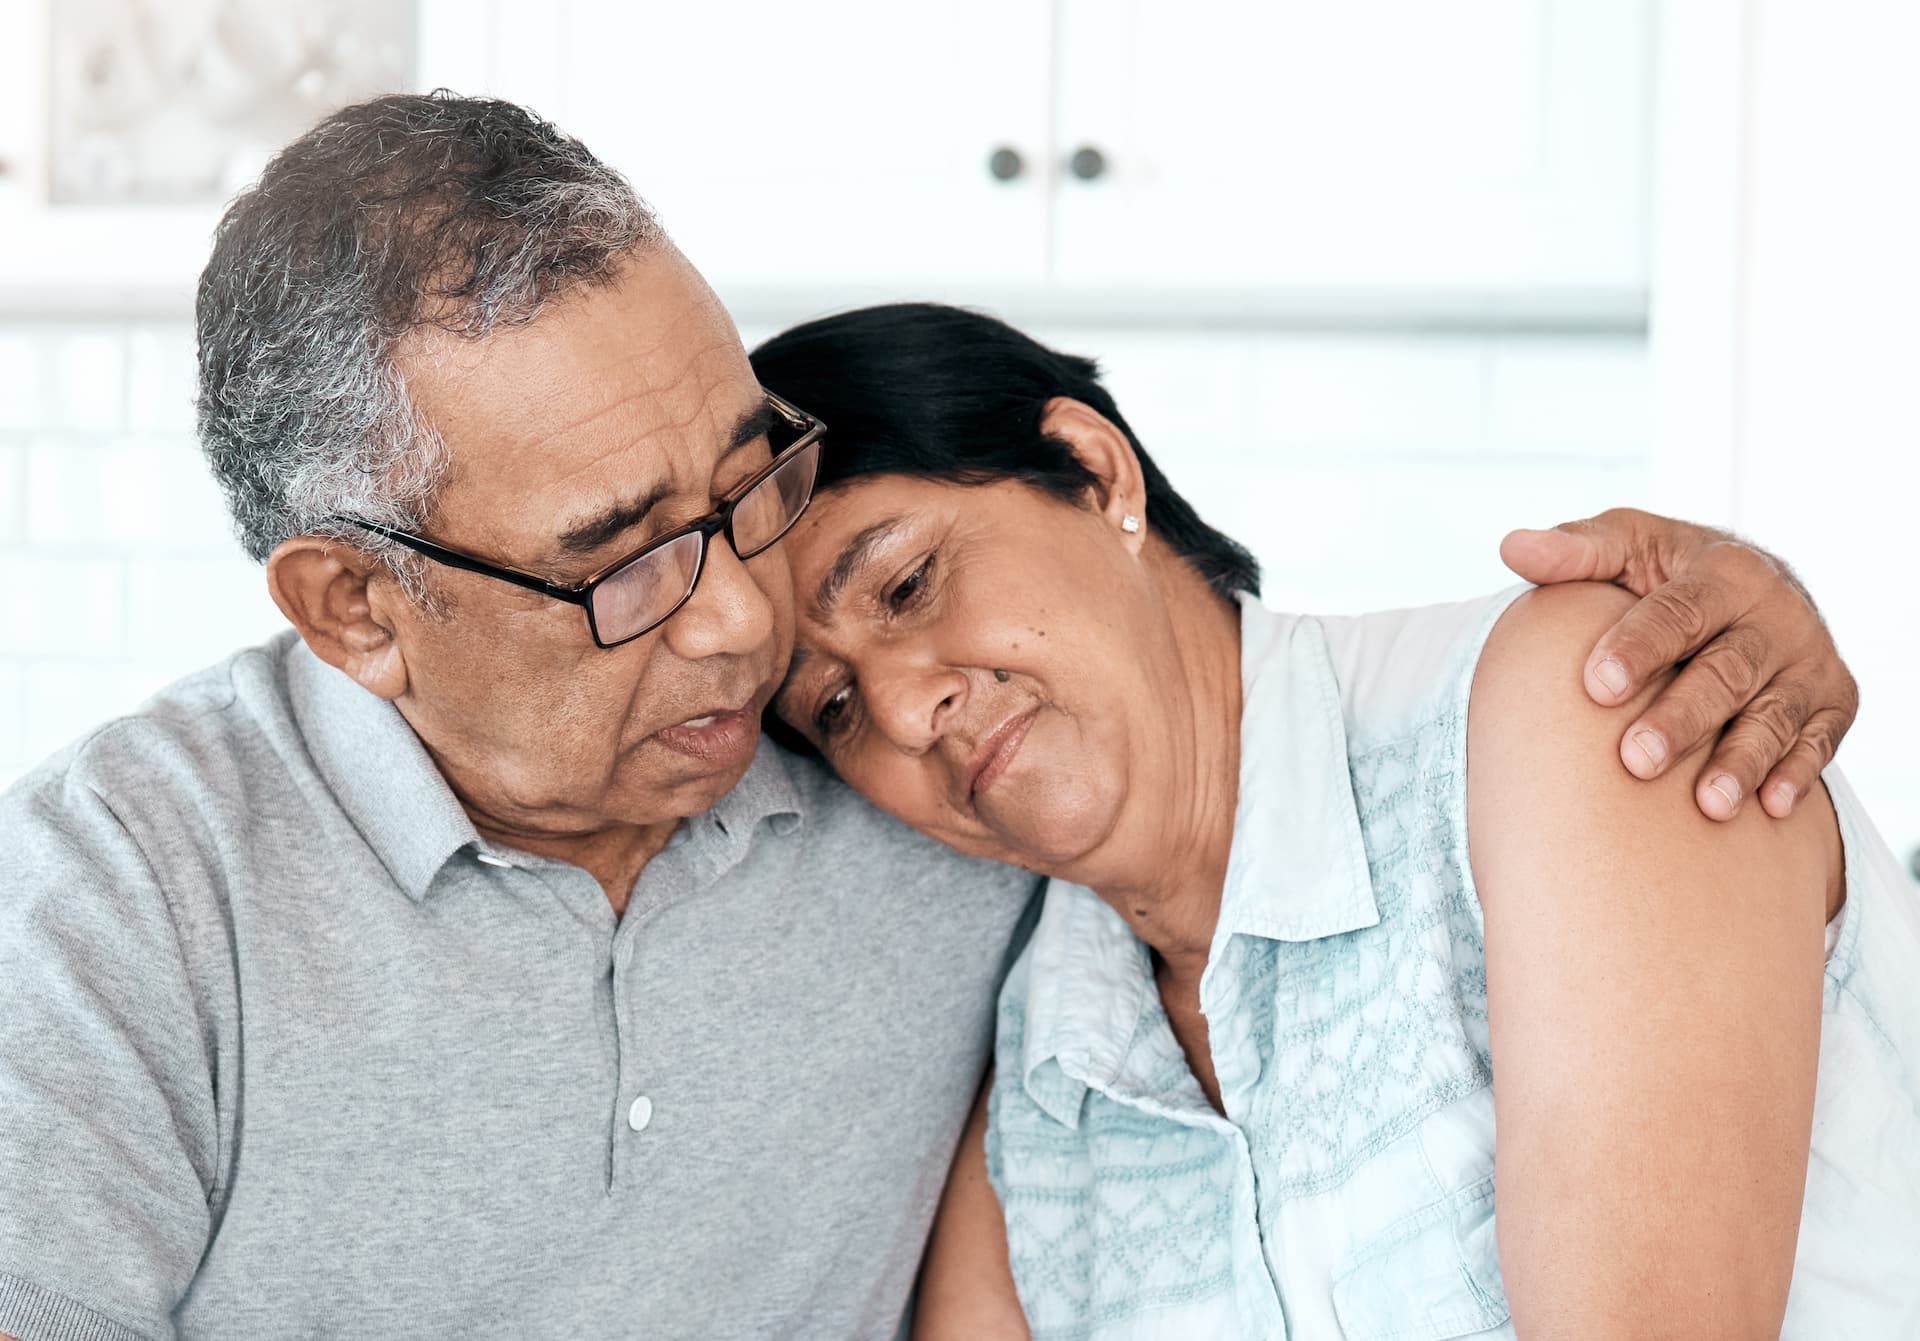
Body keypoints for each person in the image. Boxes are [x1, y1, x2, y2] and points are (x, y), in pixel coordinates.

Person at [0, 95, 1864, 1341]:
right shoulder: (115, 904)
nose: (747, 629)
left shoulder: (947, 837)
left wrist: (1739, 619)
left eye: (752, 496)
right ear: (354, 609)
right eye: (626, 565)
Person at [748, 303, 1920, 1339]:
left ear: (1096, 471)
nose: (904, 711)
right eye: (836, 708)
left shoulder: (1571, 706)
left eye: (906, 584)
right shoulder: (1046, 1095)